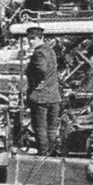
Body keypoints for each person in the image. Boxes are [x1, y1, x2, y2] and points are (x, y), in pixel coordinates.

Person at [24, 25, 61, 156]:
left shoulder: (39, 53)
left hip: (41, 98)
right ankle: (51, 156)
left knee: (40, 130)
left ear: (41, 38)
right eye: (29, 39)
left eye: (33, 39)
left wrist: (35, 81)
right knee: (51, 130)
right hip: (54, 97)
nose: (30, 41)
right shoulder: (51, 51)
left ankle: (43, 156)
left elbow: (42, 69)